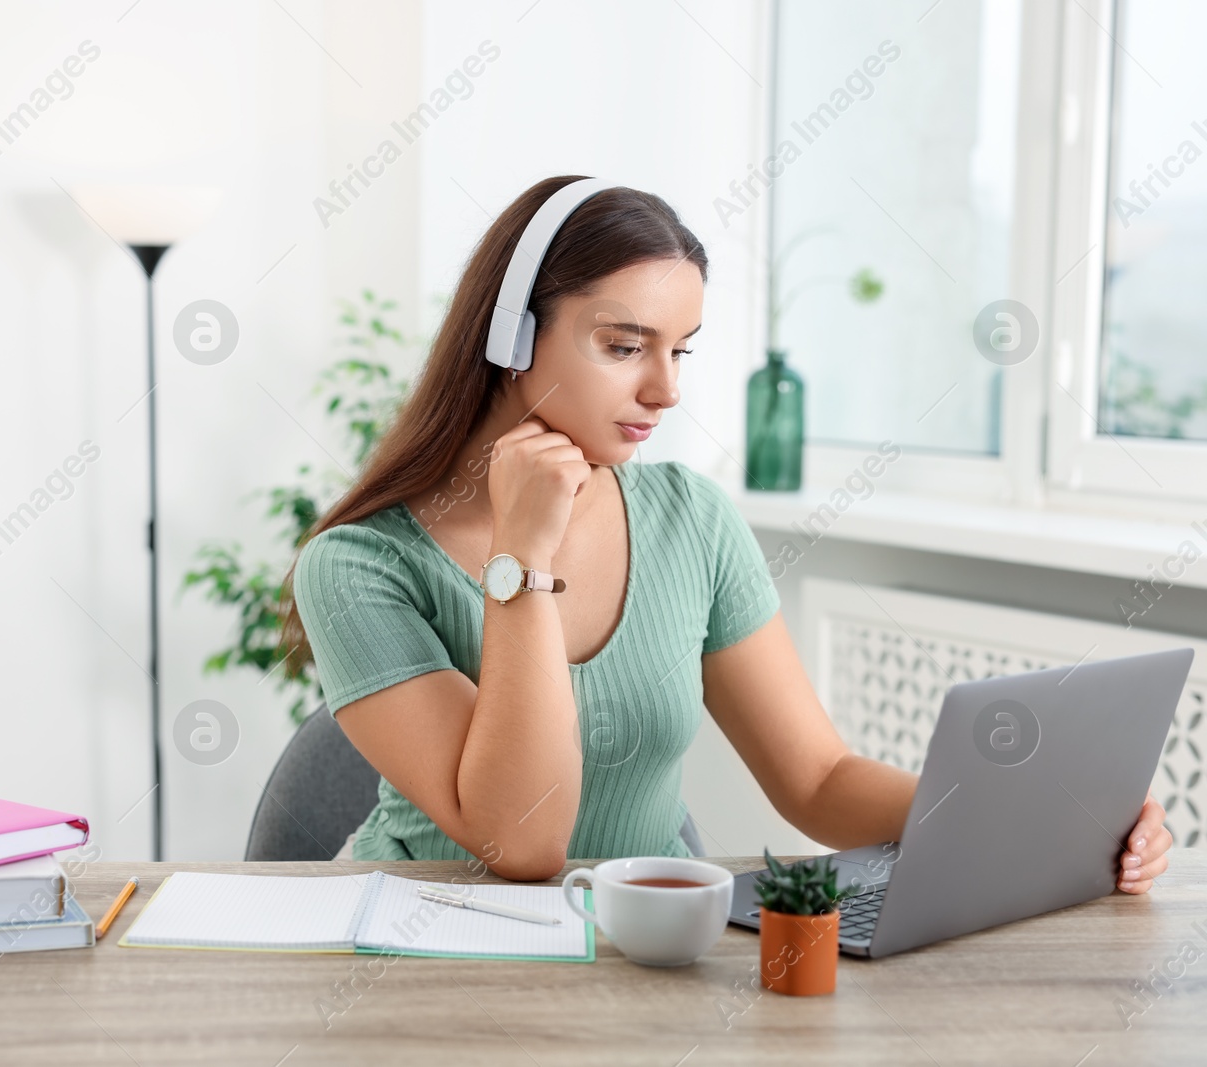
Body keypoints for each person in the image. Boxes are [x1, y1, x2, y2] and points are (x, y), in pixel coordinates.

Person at [280, 174, 1171, 889]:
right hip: (415, 953)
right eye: (625, 346)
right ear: (511, 339)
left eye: (682, 349)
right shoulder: (359, 566)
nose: (667, 390)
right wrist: (523, 556)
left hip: (638, 953)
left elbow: (816, 780)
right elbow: (524, 841)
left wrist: (1032, 810)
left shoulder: (691, 520)